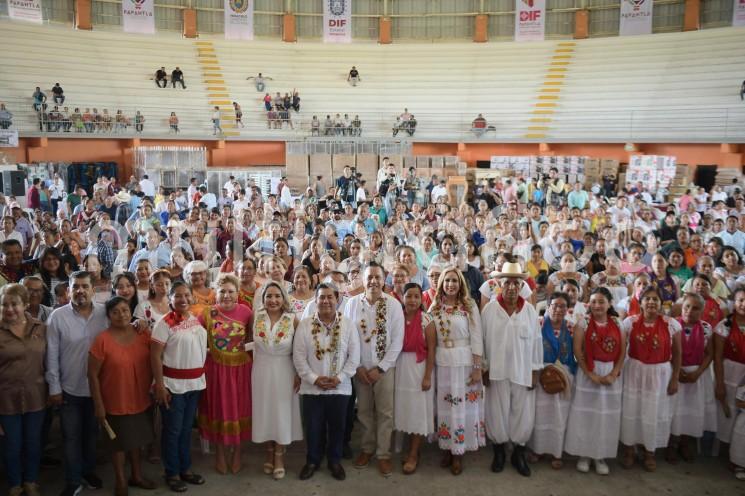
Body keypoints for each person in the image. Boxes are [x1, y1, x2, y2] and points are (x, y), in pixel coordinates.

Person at [46, 271, 110, 496]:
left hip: (97, 390)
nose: (80, 291)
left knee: (91, 434)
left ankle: (88, 471)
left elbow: (124, 327)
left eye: (85, 286)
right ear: (69, 290)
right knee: (71, 436)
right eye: (76, 287)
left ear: (94, 289)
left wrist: (139, 322)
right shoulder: (57, 316)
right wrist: (54, 388)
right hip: (69, 389)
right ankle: (73, 480)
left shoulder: (105, 314)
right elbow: (51, 355)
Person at [88, 296, 156, 496]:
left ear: (131, 311)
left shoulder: (142, 334)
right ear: (108, 316)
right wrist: (98, 405)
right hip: (114, 400)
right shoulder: (102, 340)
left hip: (140, 398)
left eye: (125, 310)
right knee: (117, 444)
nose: (121, 315)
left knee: (136, 440)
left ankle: (136, 475)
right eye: (115, 312)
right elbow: (92, 374)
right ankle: (120, 480)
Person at [293, 282, 360, 481]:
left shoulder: (348, 324)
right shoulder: (305, 325)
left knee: (337, 427)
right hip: (311, 388)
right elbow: (299, 358)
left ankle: (334, 460)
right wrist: (314, 379)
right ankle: (312, 460)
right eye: (321, 297)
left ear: (337, 299)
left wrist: (339, 378)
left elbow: (354, 357)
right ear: (315, 300)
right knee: (313, 427)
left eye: (330, 297)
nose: (325, 301)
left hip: (340, 387)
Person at [344, 262, 404, 477]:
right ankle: (368, 449)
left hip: (384, 369)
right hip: (360, 369)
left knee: (385, 413)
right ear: (362, 278)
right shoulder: (351, 304)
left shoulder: (394, 305)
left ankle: (383, 454)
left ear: (384, 278)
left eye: (377, 277)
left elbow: (397, 341)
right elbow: (348, 338)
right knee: (364, 412)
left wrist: (381, 367)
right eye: (369, 277)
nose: (373, 281)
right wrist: (357, 366)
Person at [481, 260, 539, 477]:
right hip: (496, 371)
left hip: (522, 371)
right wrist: (484, 369)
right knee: (496, 411)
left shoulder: (530, 312)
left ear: (521, 286)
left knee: (522, 412)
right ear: (500, 284)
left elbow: (536, 342)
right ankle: (499, 452)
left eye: (516, 283)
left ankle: (519, 453)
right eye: (507, 283)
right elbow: (483, 342)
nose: (512, 287)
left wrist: (535, 371)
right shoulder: (489, 310)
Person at [151, 282, 207, 492]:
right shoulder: (163, 324)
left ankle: (185, 468)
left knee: (185, 430)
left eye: (187, 295)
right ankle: (172, 472)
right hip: (173, 386)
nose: (183, 299)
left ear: (192, 298)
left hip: (194, 384)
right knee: (173, 431)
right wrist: (160, 385)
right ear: (170, 299)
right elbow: (155, 356)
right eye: (178, 296)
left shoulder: (193, 319)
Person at [619, 285, 682, 471]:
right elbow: (621, 351)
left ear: (661, 303)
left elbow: (678, 354)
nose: (651, 302)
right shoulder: (629, 323)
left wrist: (675, 378)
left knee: (653, 413)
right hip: (635, 372)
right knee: (633, 411)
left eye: (655, 299)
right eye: (647, 299)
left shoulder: (671, 324)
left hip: (660, 374)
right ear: (640, 303)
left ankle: (649, 452)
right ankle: (630, 450)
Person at [430, 266, 485, 475]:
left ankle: (458, 452)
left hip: (464, 363)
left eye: (454, 280)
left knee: (461, 408)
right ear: (441, 284)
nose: (450, 284)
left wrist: (478, 368)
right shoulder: (435, 308)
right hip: (442, 362)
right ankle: (446, 447)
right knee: (445, 407)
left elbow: (477, 337)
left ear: (460, 283)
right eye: (447, 281)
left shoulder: (469, 306)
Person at [197, 273, 253, 474]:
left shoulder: (247, 312)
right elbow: (195, 339)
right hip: (215, 370)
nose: (227, 296)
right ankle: (219, 452)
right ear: (216, 294)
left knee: (238, 410)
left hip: (240, 370)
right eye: (222, 292)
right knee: (218, 409)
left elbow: (253, 339)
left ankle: (237, 452)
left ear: (237, 293)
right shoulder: (206, 314)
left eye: (231, 291)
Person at [251, 282, 302, 480]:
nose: (273, 300)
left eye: (277, 296)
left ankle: (279, 454)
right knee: (265, 410)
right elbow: (248, 342)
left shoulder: (292, 319)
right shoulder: (256, 317)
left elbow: (299, 350)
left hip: (285, 370)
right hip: (261, 370)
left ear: (283, 299)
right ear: (263, 299)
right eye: (269, 296)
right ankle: (269, 450)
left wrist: (298, 373)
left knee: (281, 411)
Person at [0, 284, 47, 496]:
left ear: (25, 305)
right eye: (4, 305)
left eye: (14, 304)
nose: (9, 309)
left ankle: (30, 480)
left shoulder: (39, 327)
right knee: (11, 445)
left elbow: (50, 361)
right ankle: (15, 484)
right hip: (5, 400)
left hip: (36, 397)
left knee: (33, 443)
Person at [528, 291, 576, 469]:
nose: (558, 309)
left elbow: (577, 354)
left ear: (568, 309)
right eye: (554, 305)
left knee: (559, 416)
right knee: (540, 415)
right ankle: (537, 450)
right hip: (542, 375)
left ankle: (557, 453)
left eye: (563, 306)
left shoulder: (571, 327)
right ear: (548, 307)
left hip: (564, 377)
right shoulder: (538, 324)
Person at [668, 292, 716, 463]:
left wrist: (698, 372)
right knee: (676, 411)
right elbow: (668, 350)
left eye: (695, 308)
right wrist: (677, 370)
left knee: (691, 411)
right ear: (682, 307)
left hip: (696, 375)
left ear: (702, 311)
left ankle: (685, 444)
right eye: (687, 306)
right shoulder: (673, 325)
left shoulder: (706, 328)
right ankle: (672, 445)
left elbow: (709, 354)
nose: (690, 311)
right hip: (676, 373)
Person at [395, 283, 436, 474]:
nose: (412, 300)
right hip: (400, 368)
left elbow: (432, 350)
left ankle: (413, 453)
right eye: (408, 296)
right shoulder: (397, 317)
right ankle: (409, 449)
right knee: (405, 409)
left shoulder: (426, 319)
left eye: (416, 297)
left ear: (421, 299)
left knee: (418, 411)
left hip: (419, 369)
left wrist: (428, 376)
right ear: (402, 298)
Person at [714, 286, 745, 455]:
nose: (744, 305)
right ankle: (726, 451)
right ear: (735, 303)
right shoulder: (724, 325)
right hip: (729, 374)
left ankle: (740, 452)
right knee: (727, 411)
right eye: (741, 300)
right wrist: (719, 383)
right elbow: (717, 357)